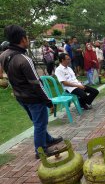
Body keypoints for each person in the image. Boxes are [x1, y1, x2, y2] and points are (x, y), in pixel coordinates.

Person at [0, 25, 63, 159]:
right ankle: (40, 150)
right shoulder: (24, 59)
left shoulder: (3, 55)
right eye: (27, 37)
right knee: (40, 124)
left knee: (37, 122)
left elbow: (9, 76)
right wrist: (49, 102)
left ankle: (48, 139)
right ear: (23, 39)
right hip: (33, 99)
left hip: (20, 97)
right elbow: (37, 84)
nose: (28, 39)